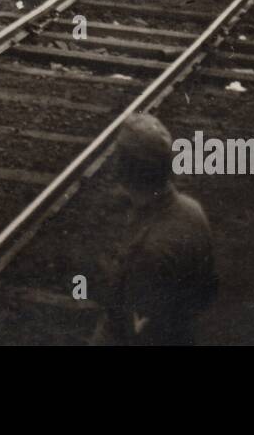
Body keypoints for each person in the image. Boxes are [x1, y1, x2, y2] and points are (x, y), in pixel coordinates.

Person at [91, 114, 218, 346]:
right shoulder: (192, 211)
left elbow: (140, 334)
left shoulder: (149, 253)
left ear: (122, 169)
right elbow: (206, 292)